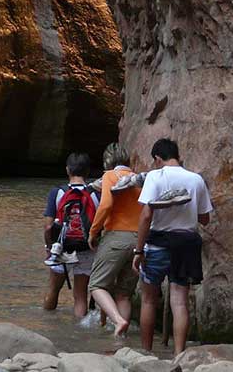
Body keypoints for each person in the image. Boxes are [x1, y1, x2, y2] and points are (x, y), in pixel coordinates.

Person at [132, 138, 214, 355]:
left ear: (158, 158)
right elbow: (205, 219)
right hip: (187, 244)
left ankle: (147, 353)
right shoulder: (196, 180)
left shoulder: (155, 177)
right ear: (177, 155)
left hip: (158, 243)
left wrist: (138, 251)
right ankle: (179, 355)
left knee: (149, 300)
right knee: (180, 302)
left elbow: (146, 216)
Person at [87, 143, 142, 336]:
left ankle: (118, 321)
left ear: (108, 161)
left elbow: (106, 205)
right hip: (139, 240)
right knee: (124, 293)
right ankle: (121, 338)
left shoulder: (110, 176)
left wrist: (93, 232)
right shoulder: (137, 179)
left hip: (117, 237)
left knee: (96, 284)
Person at [43, 152, 100, 317]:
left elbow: (47, 227)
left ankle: (47, 325)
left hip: (61, 247)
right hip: (86, 248)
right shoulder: (96, 194)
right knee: (81, 296)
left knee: (53, 290)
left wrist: (49, 248)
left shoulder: (57, 192)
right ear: (88, 171)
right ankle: (80, 332)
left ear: (67, 170)